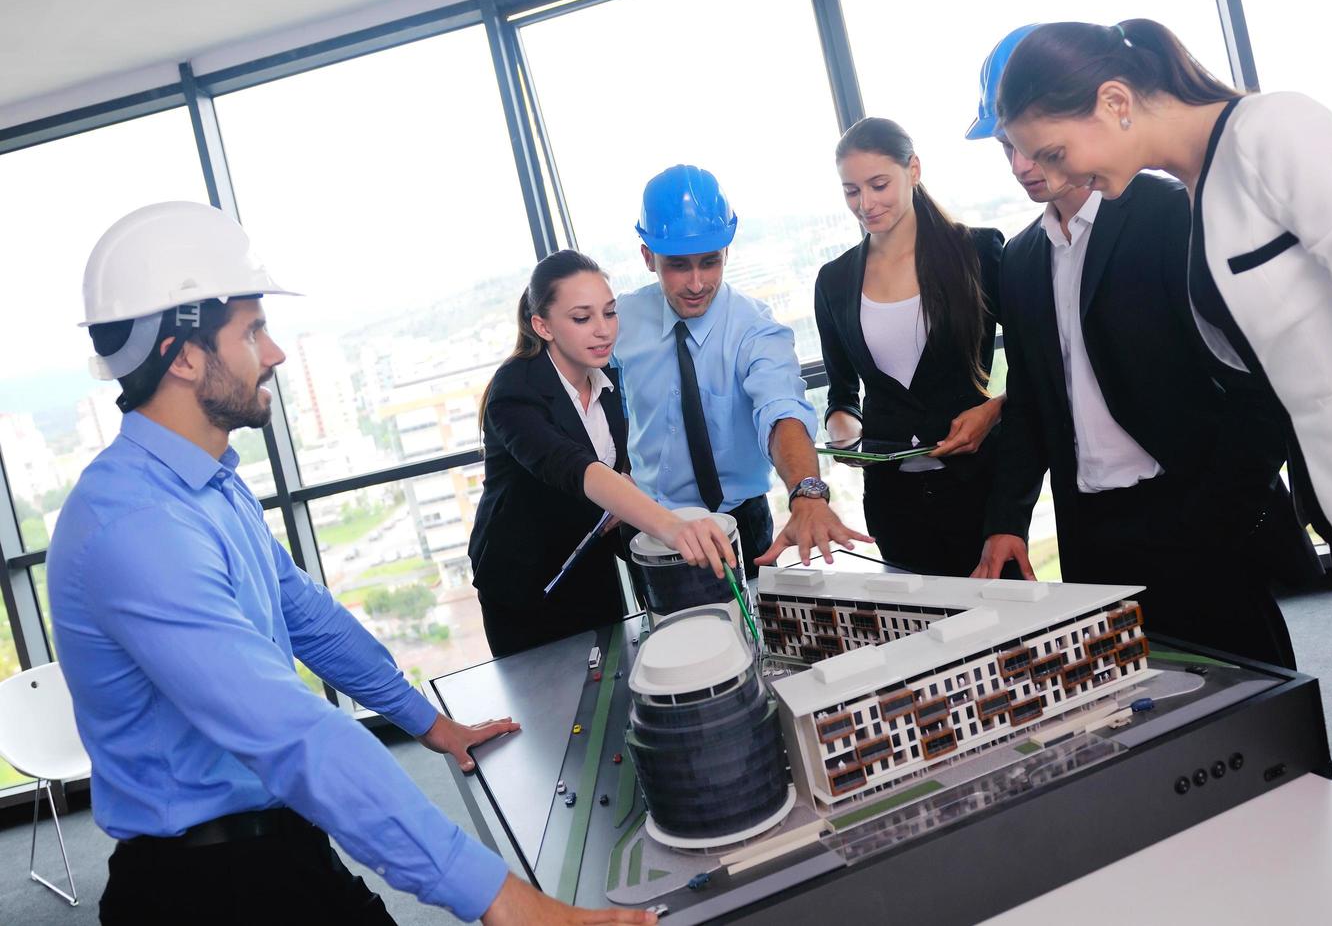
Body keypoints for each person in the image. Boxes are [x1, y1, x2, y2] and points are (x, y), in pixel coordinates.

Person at [48, 202, 653, 925]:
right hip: (202, 886)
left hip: (280, 843)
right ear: (184, 356)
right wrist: (512, 905)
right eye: (251, 330)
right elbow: (291, 729)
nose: (272, 353)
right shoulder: (135, 530)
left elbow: (302, 613)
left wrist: (427, 723)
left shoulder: (207, 486)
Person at [996, 19, 1332, 825]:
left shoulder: (1274, 133)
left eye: (1049, 152)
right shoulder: (1198, 188)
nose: (1040, 173)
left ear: (1114, 101)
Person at [966, 26, 1317, 671]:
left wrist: (1216, 517)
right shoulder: (1019, 261)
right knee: (1139, 725)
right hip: (1094, 534)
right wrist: (1006, 519)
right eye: (1004, 148)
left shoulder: (1171, 211)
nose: (1020, 166)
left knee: (1259, 709)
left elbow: (1259, 384)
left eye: (1031, 145)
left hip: (1193, 510)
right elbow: (1035, 407)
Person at [469, 249, 735, 657]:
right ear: (543, 326)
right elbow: (574, 467)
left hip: (590, 568)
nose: (603, 330)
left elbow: (621, 466)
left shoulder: (610, 376)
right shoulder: (514, 392)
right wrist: (674, 529)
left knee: (610, 682)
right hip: (521, 583)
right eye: (582, 318)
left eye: (609, 313)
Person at [615, 164, 871, 575]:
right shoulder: (621, 319)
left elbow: (781, 410)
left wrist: (807, 493)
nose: (697, 283)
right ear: (649, 257)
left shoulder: (757, 329)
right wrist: (612, 483)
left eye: (710, 262)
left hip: (738, 524)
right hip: (650, 524)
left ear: (726, 253)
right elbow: (594, 397)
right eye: (679, 265)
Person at [814, 117, 1005, 576]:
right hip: (892, 501)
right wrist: (844, 433)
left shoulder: (977, 252)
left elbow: (1041, 362)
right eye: (851, 191)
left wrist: (994, 409)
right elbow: (842, 395)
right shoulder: (834, 281)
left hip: (979, 486)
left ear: (913, 170)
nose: (866, 203)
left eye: (878, 184)